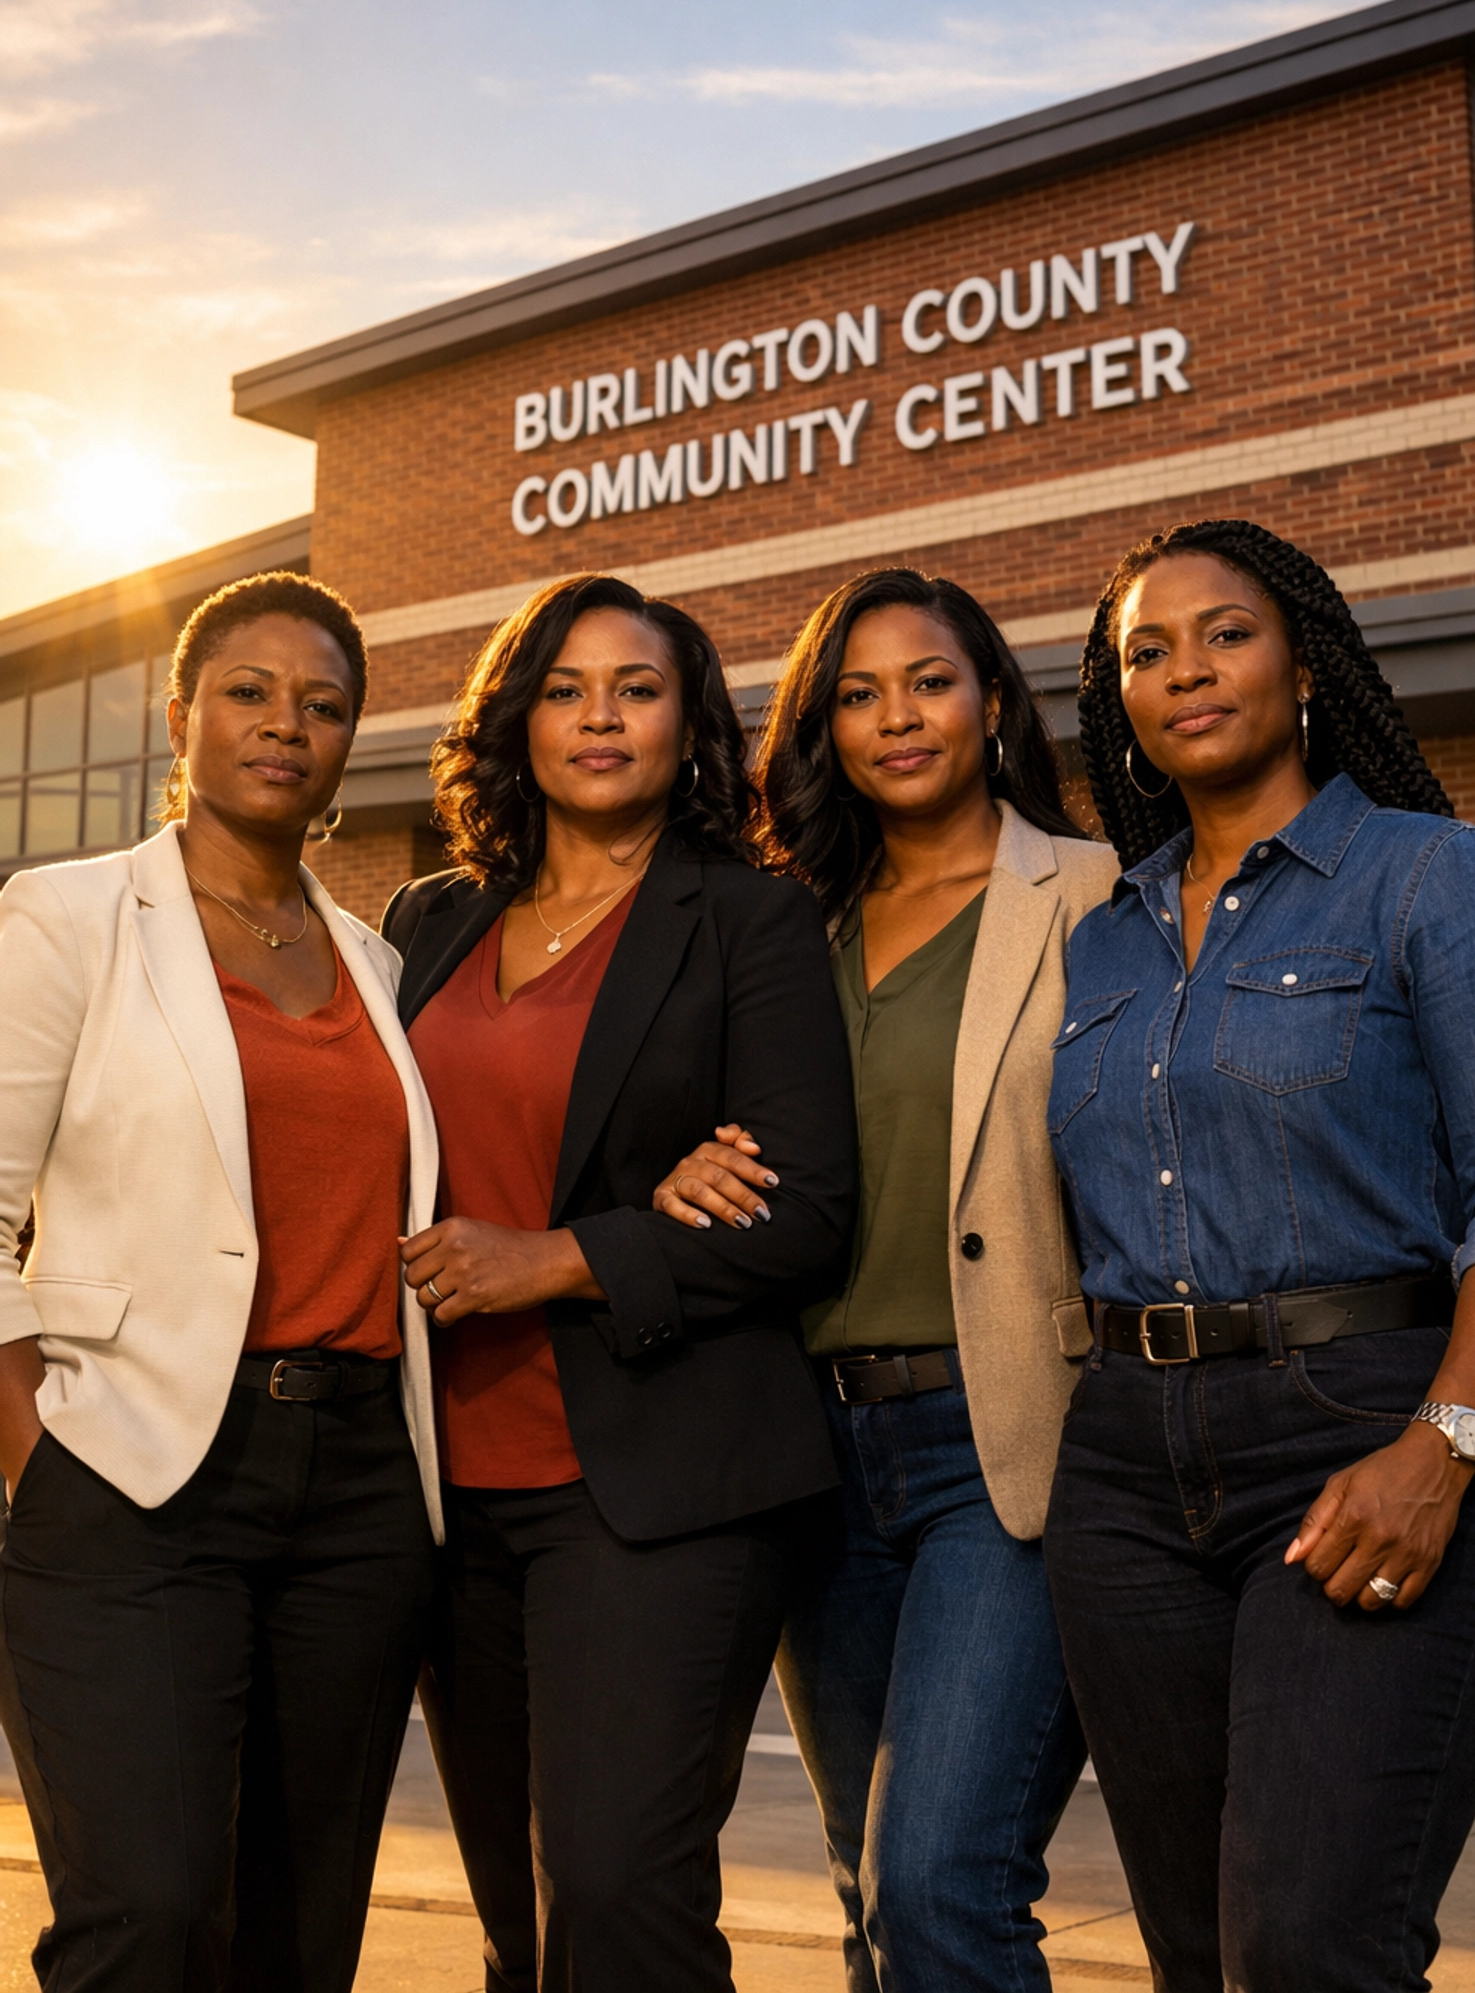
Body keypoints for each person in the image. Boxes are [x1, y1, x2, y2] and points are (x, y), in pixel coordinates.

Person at [1043, 517, 1475, 1993]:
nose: (1187, 670)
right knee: (1200, 1956)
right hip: (1127, 1470)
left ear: (1306, 663)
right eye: (1147, 649)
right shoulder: (1103, 937)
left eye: (1227, 633)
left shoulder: (1430, 876)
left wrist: (1446, 1443)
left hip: (1368, 1421)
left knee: (1311, 1946)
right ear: (1117, 700)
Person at [380, 571, 857, 1993]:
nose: (601, 718)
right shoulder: (425, 919)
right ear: (515, 718)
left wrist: (567, 1255)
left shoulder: (747, 923)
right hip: (441, 1483)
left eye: (638, 691)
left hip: (660, 1482)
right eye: (568, 688)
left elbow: (806, 1208)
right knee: (521, 1927)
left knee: (615, 1892)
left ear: (688, 725)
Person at [661, 569, 1117, 1991]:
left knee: (941, 1883)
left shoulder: (1095, 896)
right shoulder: (784, 922)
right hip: (809, 1448)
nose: (894, 717)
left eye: (926, 680)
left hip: (1009, 1438)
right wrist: (676, 1181)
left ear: (991, 703)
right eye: (854, 695)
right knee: (867, 1891)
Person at [0, 571, 442, 1993]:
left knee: (297, 1932)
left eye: (323, 706)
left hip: (364, 1482)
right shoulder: (68, 917)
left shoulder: (375, 961)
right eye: (249, 692)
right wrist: (30, 1454)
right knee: (144, 1909)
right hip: (130, 1470)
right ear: (178, 712)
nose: (284, 726)